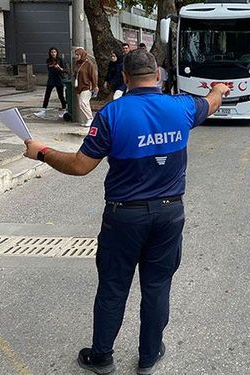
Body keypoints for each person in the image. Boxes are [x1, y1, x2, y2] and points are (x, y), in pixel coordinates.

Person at [23, 49, 231, 375]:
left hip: (124, 218)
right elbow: (212, 103)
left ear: (125, 77)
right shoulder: (183, 107)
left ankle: (102, 357)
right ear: (159, 76)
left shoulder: (111, 114)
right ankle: (149, 356)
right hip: (169, 215)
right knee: (157, 286)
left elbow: (79, 166)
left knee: (113, 288)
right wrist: (218, 89)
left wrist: (43, 152)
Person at [38, 47, 67, 116]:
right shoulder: (48, 60)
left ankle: (64, 109)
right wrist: (53, 65)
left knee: (61, 96)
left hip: (58, 79)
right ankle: (43, 110)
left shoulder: (60, 60)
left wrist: (59, 68)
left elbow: (65, 70)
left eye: (54, 52)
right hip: (51, 79)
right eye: (52, 52)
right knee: (47, 95)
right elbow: (49, 67)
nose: (53, 53)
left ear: (57, 53)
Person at [74, 47, 98, 127]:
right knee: (84, 104)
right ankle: (89, 119)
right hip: (79, 86)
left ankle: (90, 118)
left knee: (83, 102)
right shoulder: (77, 63)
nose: (77, 56)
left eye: (78, 55)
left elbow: (93, 76)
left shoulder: (89, 64)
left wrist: (95, 86)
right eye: (76, 55)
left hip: (87, 86)